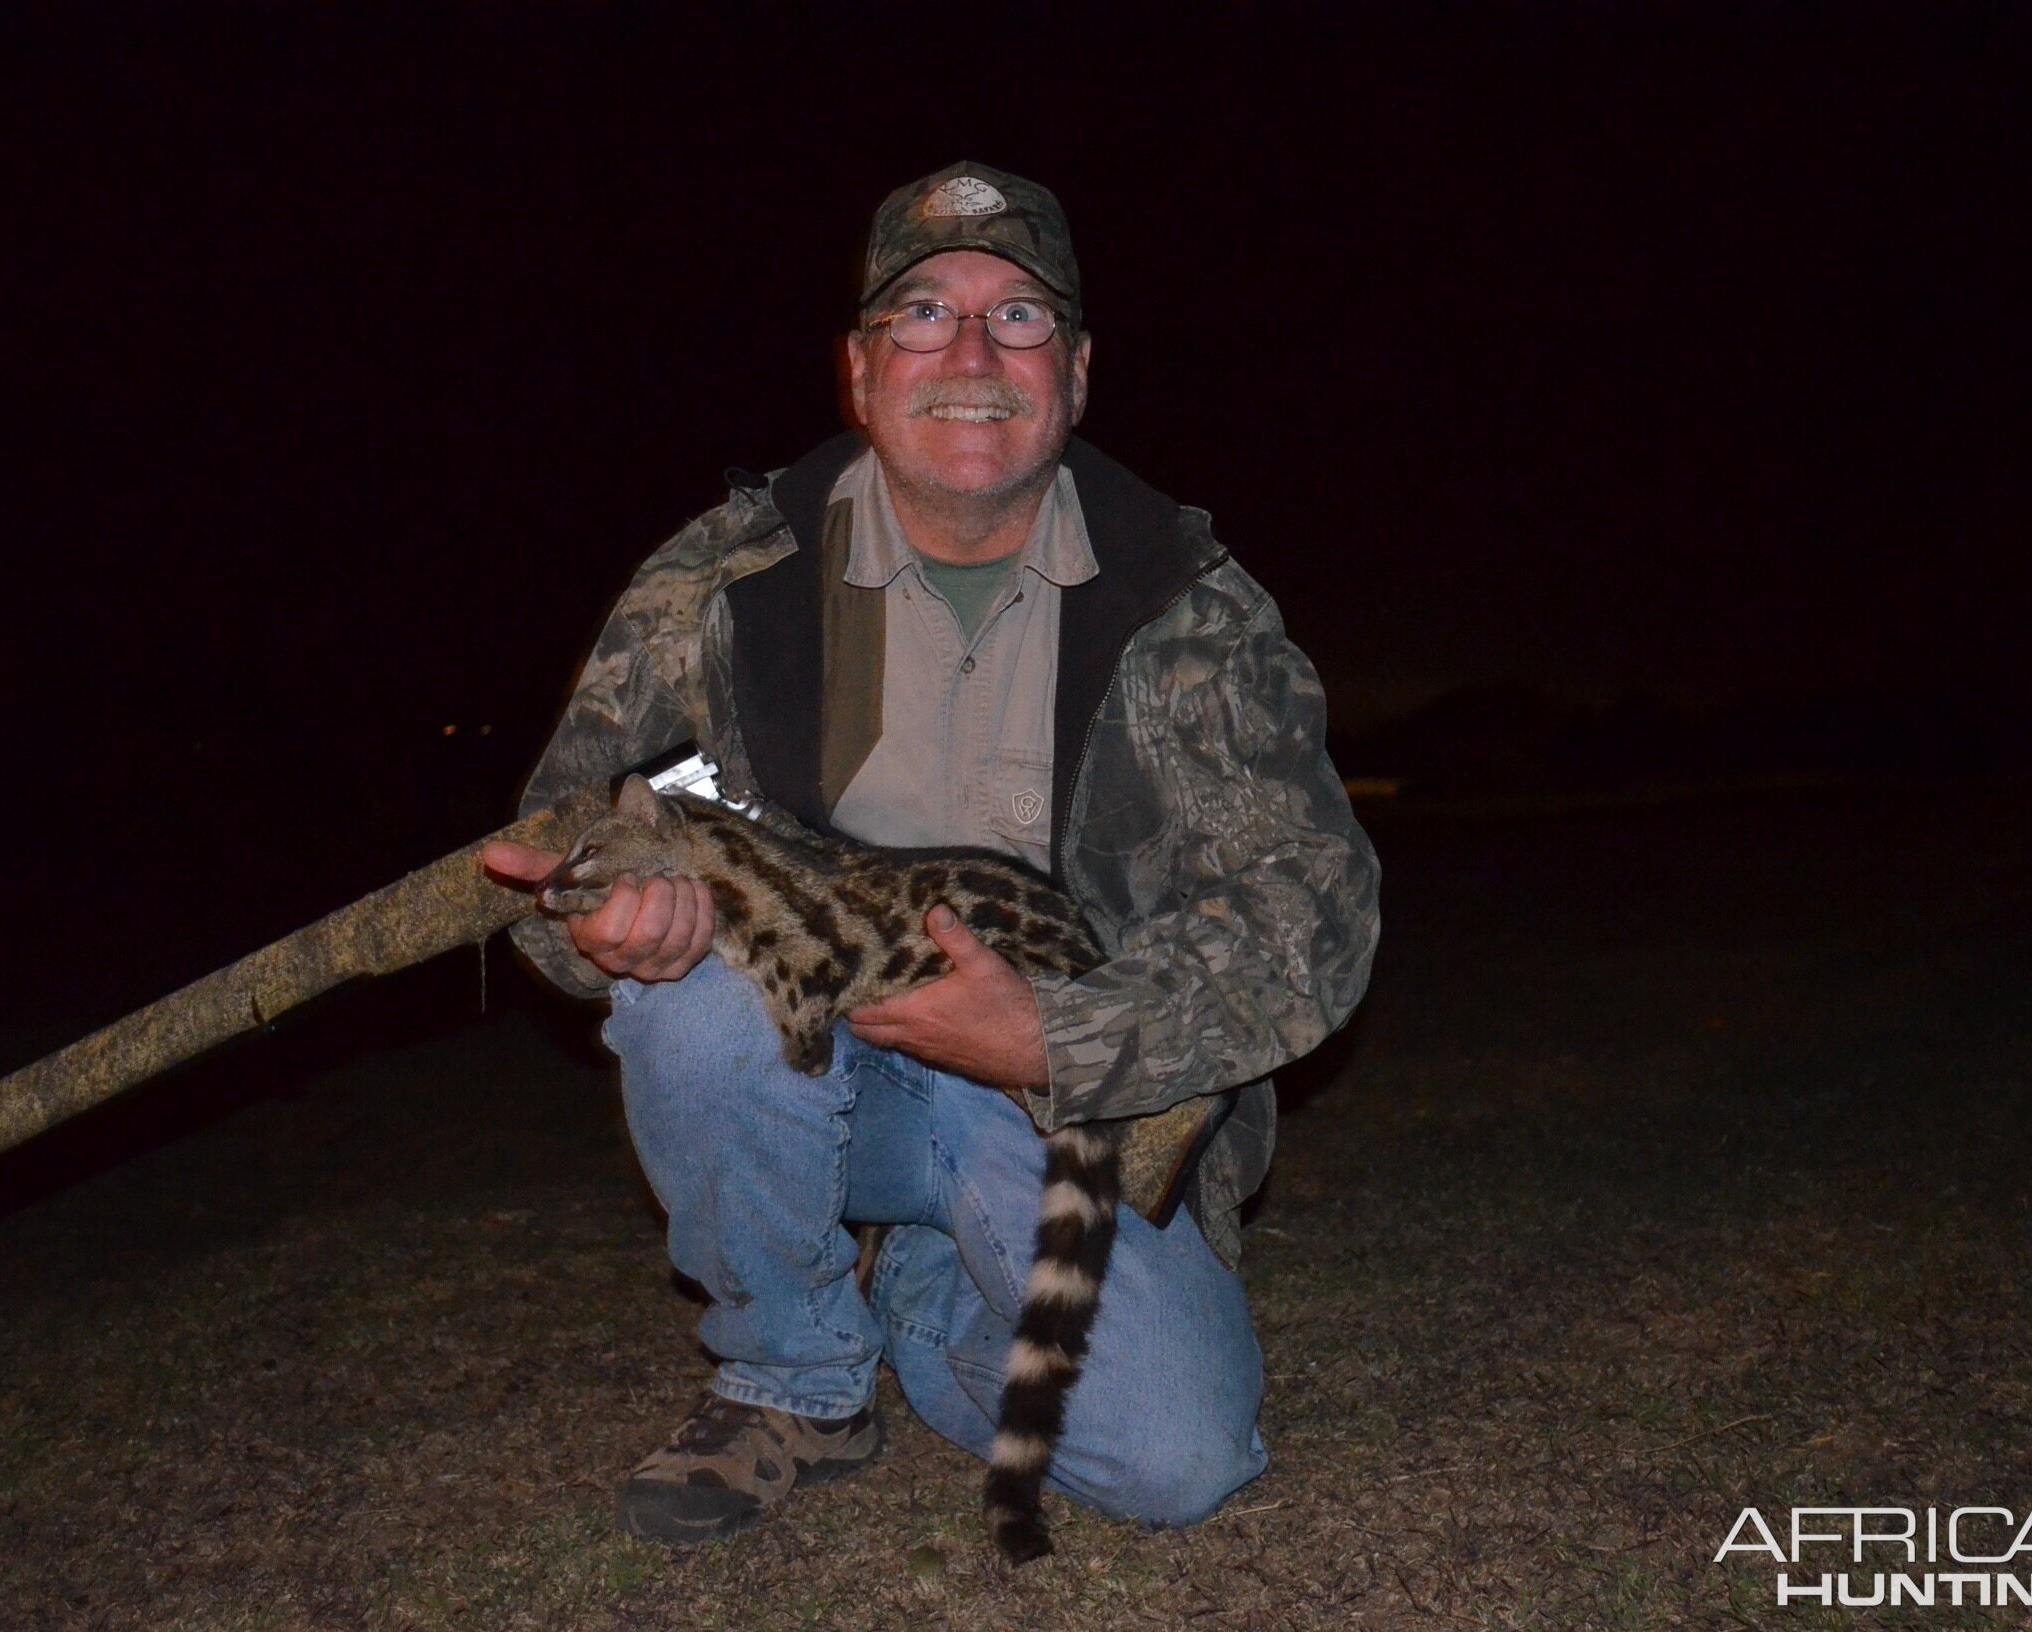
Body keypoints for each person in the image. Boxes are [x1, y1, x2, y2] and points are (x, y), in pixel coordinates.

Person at [483, 161, 1380, 1545]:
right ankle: (796, 1377)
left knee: (1178, 1463)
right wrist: (604, 930)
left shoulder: (1186, 603)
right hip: (805, 1047)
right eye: (922, 314)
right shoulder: (722, 580)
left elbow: (1312, 914)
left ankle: (919, 1287)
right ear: (858, 370)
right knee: (693, 1000)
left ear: (1076, 374)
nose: (971, 354)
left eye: (1018, 318)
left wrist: (1057, 1037)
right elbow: (560, 840)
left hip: (1052, 1074)